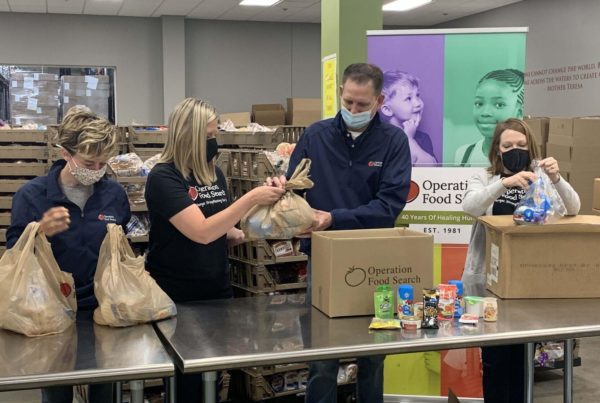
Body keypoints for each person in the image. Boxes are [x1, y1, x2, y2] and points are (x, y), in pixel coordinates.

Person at [275, 63, 412, 403]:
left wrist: (333, 218)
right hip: (323, 257)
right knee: (322, 357)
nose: (353, 110)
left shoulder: (393, 141)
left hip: (375, 261)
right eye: (348, 101)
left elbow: (389, 206)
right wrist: (280, 194)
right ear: (340, 94)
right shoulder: (315, 136)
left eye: (362, 105)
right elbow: (294, 192)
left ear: (379, 101)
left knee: (374, 356)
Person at [144, 98, 285, 401]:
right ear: (189, 137)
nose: (214, 142)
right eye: (209, 136)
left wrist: (271, 212)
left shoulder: (212, 175)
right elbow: (203, 232)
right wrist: (252, 198)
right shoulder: (163, 178)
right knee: (186, 381)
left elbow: (224, 228)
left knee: (212, 373)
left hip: (216, 289)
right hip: (177, 295)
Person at [7, 105, 129, 403]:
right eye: (89, 161)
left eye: (103, 163)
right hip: (51, 313)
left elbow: (121, 248)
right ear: (65, 153)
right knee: (57, 392)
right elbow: (14, 256)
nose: (96, 170)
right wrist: (39, 232)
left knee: (106, 389)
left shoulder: (114, 195)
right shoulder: (32, 196)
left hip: (103, 311)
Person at [461, 118, 580, 403]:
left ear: (531, 147)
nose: (515, 150)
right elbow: (470, 207)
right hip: (487, 285)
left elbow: (573, 207)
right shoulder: (485, 178)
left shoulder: (541, 178)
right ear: (497, 150)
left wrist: (556, 178)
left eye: (521, 145)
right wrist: (504, 183)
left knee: (522, 360)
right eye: (508, 145)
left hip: (527, 287)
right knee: (493, 359)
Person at [455, 69, 524, 167]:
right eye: (479, 103)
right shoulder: (463, 155)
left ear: (520, 112)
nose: (485, 112)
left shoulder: (527, 158)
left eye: (499, 105)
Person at [380, 70, 437, 164]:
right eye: (408, 98)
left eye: (417, 95)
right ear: (387, 110)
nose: (418, 103)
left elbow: (431, 169)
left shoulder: (422, 138)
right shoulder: (377, 140)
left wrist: (410, 140)